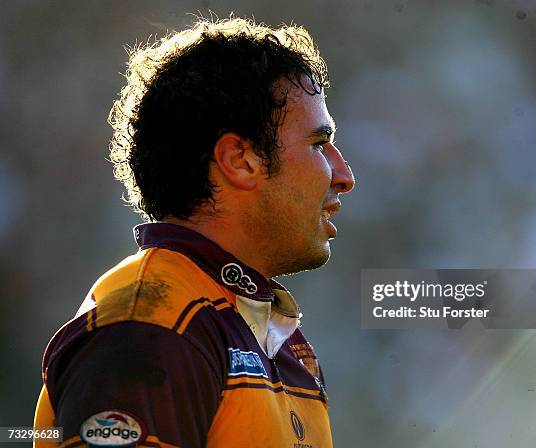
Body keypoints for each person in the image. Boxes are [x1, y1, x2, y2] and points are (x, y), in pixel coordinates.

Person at [33, 16, 354, 448]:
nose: (343, 174)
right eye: (318, 144)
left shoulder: (276, 339)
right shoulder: (149, 323)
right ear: (240, 160)